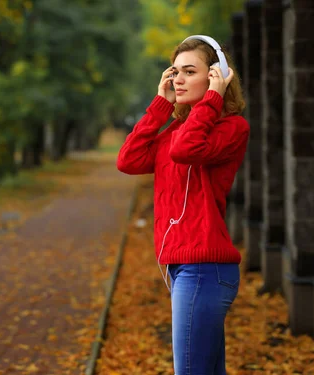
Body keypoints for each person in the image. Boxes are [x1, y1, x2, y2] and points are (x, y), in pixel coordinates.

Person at [116, 34, 249, 375]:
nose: (178, 79)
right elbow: (128, 160)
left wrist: (211, 102)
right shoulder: (179, 127)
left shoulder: (231, 127)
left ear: (216, 75)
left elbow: (185, 151)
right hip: (182, 267)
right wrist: (160, 105)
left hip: (204, 267)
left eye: (189, 71)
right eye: (174, 72)